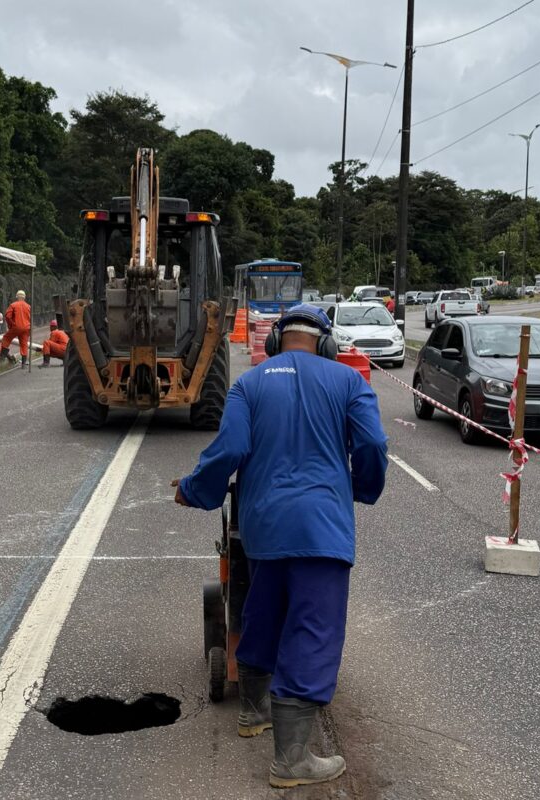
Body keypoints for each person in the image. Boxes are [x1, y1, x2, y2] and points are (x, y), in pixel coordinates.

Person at [174, 303, 387, 788]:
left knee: (263, 610)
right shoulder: (349, 382)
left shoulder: (250, 383)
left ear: (275, 342)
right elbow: (372, 445)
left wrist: (193, 490)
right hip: (321, 529)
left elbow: (227, 451)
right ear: (326, 344)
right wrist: (363, 488)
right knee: (313, 629)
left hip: (263, 527)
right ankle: (292, 760)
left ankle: (253, 712)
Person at [0, 290, 31, 365]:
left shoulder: (13, 305)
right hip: (26, 328)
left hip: (16, 326)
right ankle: (23, 363)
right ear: (24, 297)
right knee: (24, 344)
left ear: (17, 297)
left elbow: (7, 316)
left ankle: (2, 357)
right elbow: (29, 318)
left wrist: (11, 325)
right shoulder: (28, 306)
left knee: (6, 338)